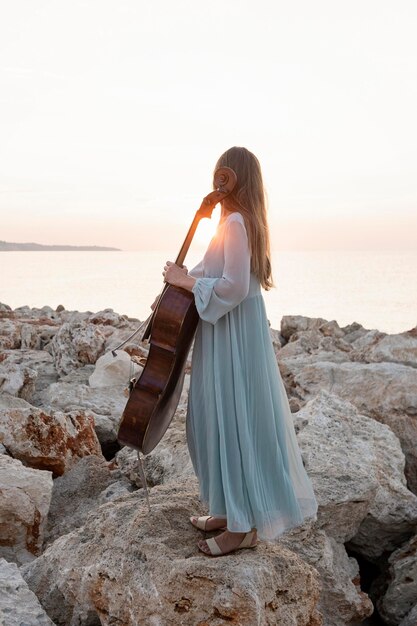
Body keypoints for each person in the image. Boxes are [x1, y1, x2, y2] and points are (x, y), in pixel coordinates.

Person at [162, 146, 318, 557]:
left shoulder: (234, 221)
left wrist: (186, 283)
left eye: (222, 176)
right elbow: (212, 269)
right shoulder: (237, 221)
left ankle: (242, 527)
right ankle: (229, 509)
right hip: (227, 330)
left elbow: (232, 287)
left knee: (230, 418)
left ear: (231, 177)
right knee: (219, 416)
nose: (217, 182)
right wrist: (179, 279)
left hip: (231, 331)